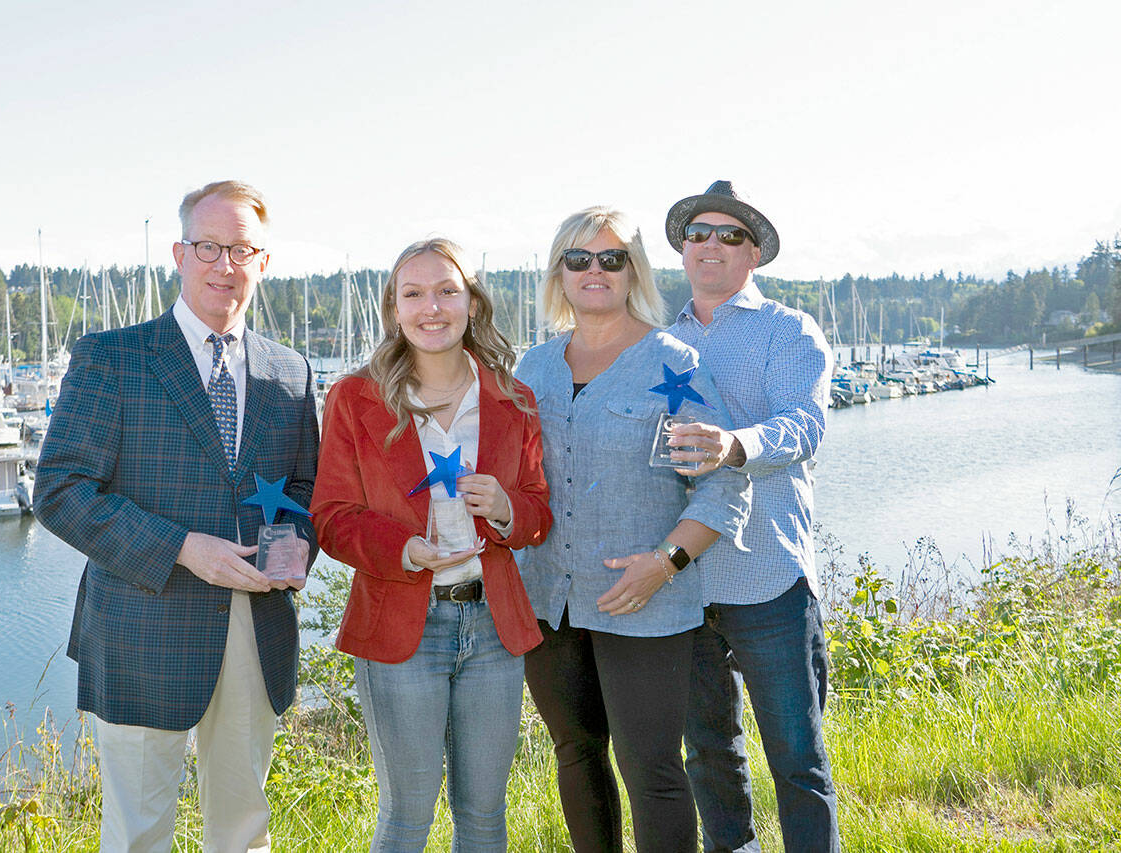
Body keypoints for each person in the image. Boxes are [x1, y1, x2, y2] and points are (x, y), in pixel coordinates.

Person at [34, 179, 318, 853]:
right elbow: (60, 490)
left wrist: (289, 553)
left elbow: (304, 487)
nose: (225, 264)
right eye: (209, 246)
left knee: (245, 830)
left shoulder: (293, 371)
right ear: (178, 253)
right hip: (141, 630)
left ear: (263, 262)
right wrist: (182, 546)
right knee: (137, 835)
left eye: (242, 249)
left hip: (257, 626)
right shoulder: (113, 357)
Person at [515, 206, 751, 853]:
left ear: (634, 270)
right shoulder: (530, 368)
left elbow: (725, 483)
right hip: (549, 602)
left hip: (644, 602)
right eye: (580, 258)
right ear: (559, 271)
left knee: (652, 770)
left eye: (612, 257)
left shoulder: (675, 363)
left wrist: (666, 561)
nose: (596, 270)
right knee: (576, 752)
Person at [311, 237, 551, 852]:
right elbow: (332, 517)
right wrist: (405, 550)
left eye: (447, 290)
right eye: (413, 293)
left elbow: (538, 516)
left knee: (484, 815)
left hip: (495, 630)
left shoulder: (513, 399)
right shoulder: (354, 399)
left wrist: (505, 510)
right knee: (406, 815)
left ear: (472, 302)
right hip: (400, 629)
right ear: (394, 309)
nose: (432, 307)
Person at [661, 180, 838, 852]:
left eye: (728, 234)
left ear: (754, 252)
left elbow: (805, 424)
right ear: (682, 249)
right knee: (708, 756)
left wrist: (737, 444)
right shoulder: (654, 340)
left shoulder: (789, 330)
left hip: (770, 577)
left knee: (797, 760)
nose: (710, 244)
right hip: (684, 582)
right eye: (698, 232)